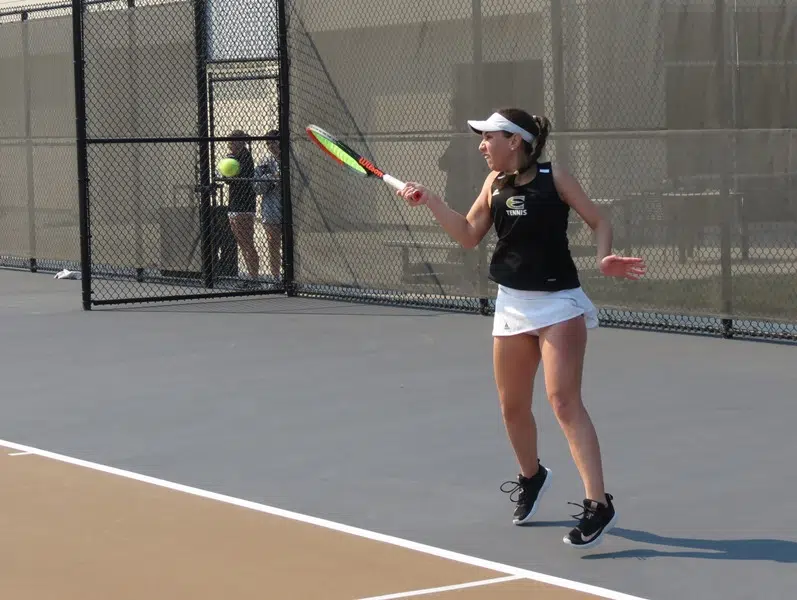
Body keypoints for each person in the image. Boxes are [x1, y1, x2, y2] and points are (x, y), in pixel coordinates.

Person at [396, 108, 646, 550]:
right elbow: (470, 234)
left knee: (562, 401)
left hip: (559, 303)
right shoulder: (494, 184)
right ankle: (532, 477)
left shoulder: (556, 177)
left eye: (488, 137)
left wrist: (606, 256)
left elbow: (599, 220)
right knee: (512, 407)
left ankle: (598, 503)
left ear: (514, 140)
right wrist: (432, 201)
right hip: (512, 304)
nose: (481, 145)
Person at [223, 130, 260, 283]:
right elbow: (228, 179)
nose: (230, 144)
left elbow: (234, 179)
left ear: (241, 142)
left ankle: (254, 278)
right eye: (229, 141)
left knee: (247, 242)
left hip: (243, 205)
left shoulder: (244, 157)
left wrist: (228, 172)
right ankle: (252, 277)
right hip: (234, 203)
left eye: (233, 141)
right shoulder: (233, 158)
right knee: (242, 242)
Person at [253, 130, 283, 280]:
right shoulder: (265, 162)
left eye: (274, 142)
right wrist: (271, 178)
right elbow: (257, 188)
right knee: (273, 243)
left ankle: (292, 276)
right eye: (268, 143)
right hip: (272, 206)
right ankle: (276, 276)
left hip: (291, 206)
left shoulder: (291, 159)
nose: (271, 146)